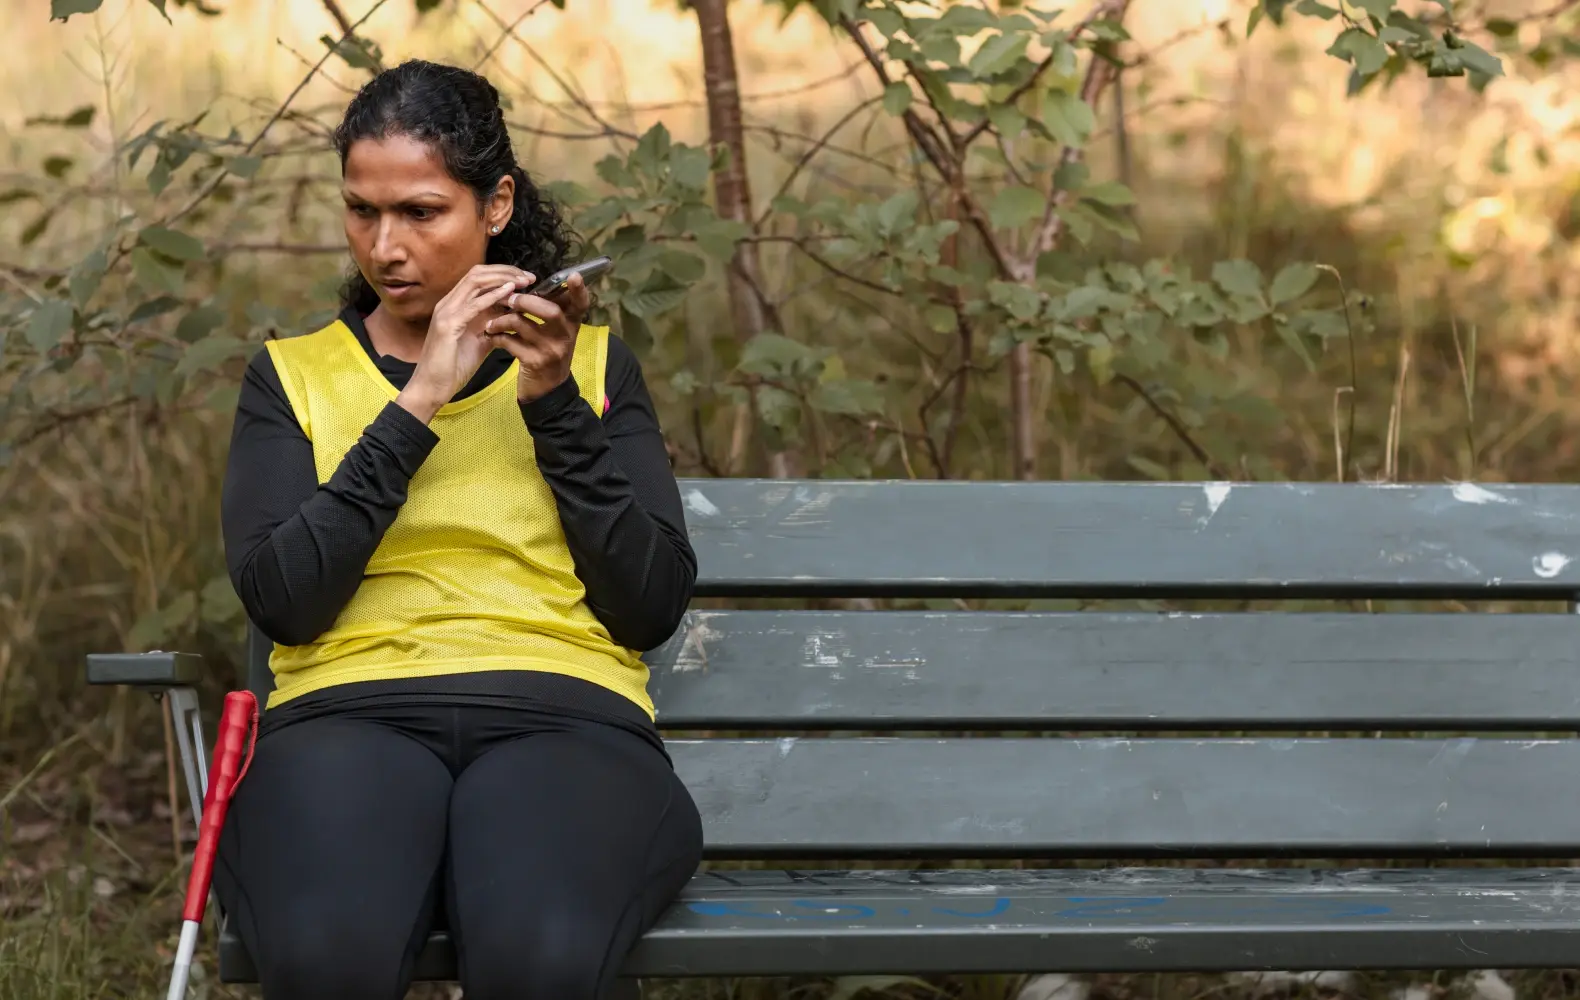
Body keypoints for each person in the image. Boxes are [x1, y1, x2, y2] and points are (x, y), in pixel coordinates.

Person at [214, 58, 703, 1000]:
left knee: (542, 960)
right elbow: (285, 602)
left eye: (421, 212)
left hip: (563, 715)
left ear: (497, 203)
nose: (385, 247)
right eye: (362, 210)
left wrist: (555, 403)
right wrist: (421, 397)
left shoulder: (591, 367)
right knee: (326, 957)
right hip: (346, 714)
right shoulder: (292, 376)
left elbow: (648, 606)